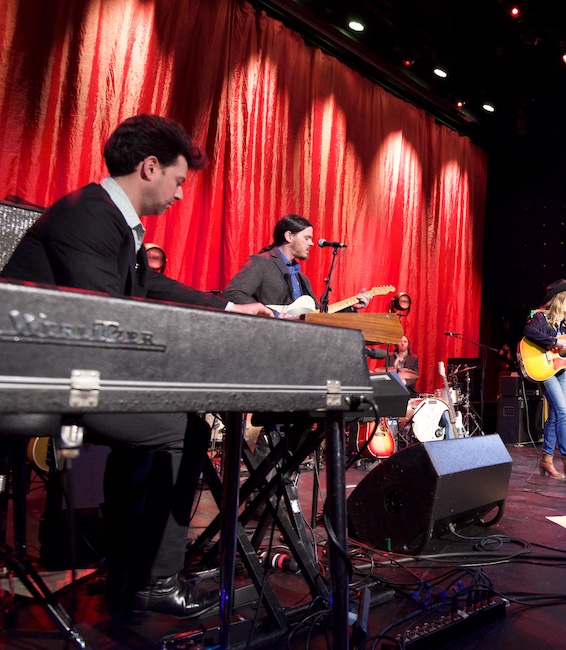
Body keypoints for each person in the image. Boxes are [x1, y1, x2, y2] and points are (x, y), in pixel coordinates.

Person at [1, 114, 272, 618]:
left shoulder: (110, 219)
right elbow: (109, 316)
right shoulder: (89, 215)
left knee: (159, 426)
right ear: (150, 167)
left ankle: (129, 570)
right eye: (178, 180)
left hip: (66, 373)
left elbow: (148, 289)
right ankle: (153, 581)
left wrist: (231, 308)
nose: (180, 195)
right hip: (31, 378)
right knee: (175, 428)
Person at [222, 214, 371, 312]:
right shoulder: (261, 263)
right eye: (307, 238)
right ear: (289, 236)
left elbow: (318, 315)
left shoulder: (302, 279)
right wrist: (268, 313)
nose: (312, 243)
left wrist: (351, 307)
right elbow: (232, 293)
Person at [522, 279, 566, 480]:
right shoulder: (540, 317)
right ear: (559, 298)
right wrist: (553, 342)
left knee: (556, 416)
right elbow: (529, 332)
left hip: (560, 370)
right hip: (545, 369)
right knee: (561, 411)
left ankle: (546, 460)